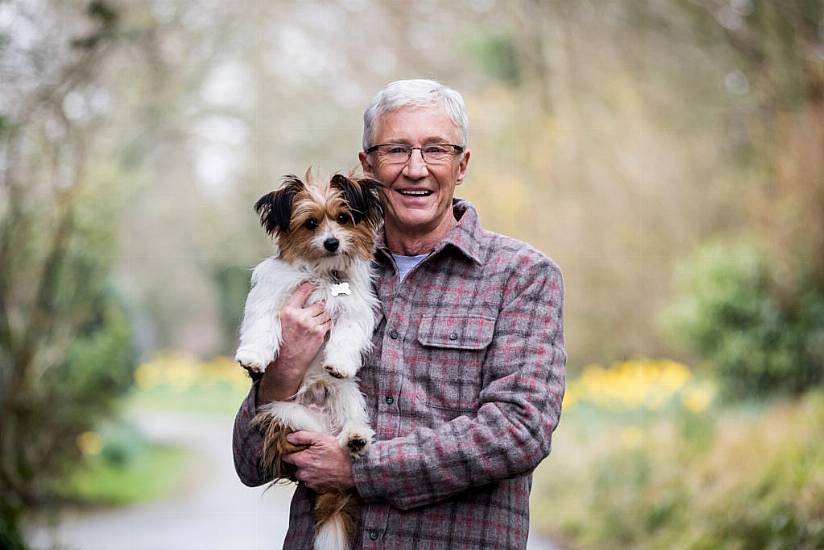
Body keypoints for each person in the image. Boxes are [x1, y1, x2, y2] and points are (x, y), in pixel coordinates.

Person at [233, 79, 566, 549]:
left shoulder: (522, 277)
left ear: (461, 164)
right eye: (396, 150)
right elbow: (249, 462)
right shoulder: (314, 273)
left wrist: (362, 468)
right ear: (367, 166)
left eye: (435, 150)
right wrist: (285, 366)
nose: (415, 170)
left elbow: (519, 430)